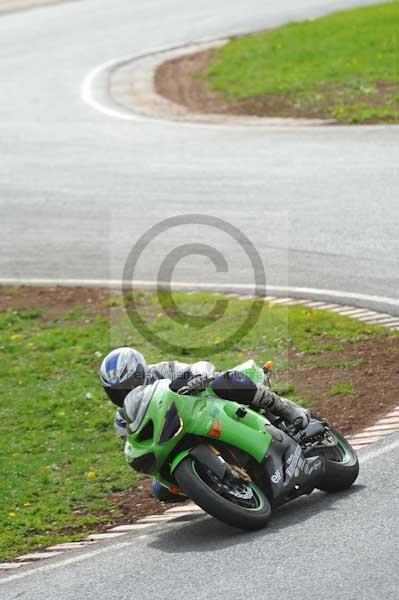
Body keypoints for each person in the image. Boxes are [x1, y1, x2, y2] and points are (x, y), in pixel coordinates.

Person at [100, 347, 309, 502]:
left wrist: (195, 376)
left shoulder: (161, 371)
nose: (125, 393)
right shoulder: (123, 418)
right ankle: (215, 486)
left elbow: (201, 367)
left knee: (228, 381)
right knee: (160, 490)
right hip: (175, 434)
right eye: (117, 392)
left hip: (206, 404)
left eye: (128, 385)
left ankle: (288, 411)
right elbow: (133, 443)